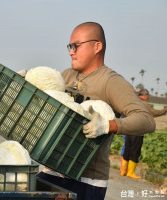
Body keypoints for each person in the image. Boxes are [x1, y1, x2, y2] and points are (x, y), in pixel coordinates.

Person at [36, 22, 156, 200]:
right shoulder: (67, 76)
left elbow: (147, 120)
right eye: (70, 46)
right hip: (53, 170)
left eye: (76, 46)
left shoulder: (111, 81)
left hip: (85, 180)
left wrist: (109, 125)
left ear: (97, 46)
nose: (71, 52)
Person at [120, 89, 167, 179]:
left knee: (127, 149)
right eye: (147, 95)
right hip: (138, 130)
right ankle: (130, 172)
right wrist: (165, 110)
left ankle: (123, 171)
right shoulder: (144, 104)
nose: (148, 97)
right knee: (135, 150)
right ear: (144, 95)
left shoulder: (131, 102)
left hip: (129, 128)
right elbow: (154, 113)